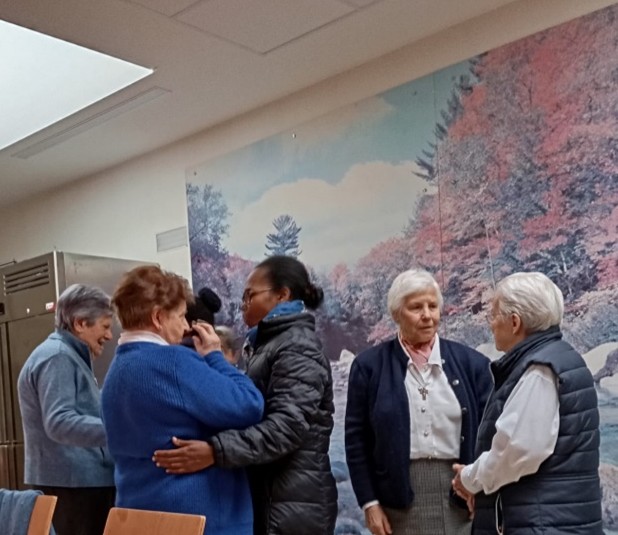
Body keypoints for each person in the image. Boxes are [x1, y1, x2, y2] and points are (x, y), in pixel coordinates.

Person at [153, 255, 338, 535]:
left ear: (282, 295)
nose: (243, 305)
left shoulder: (297, 347)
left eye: (250, 296)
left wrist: (216, 451)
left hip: (293, 505)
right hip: (274, 496)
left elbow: (287, 427)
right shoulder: (268, 344)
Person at [100, 265, 264, 535]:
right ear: (158, 317)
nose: (187, 326)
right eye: (180, 316)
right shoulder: (173, 362)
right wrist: (214, 355)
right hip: (199, 518)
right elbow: (249, 404)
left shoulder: (115, 372)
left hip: (138, 515)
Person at [452, 272, 602, 534]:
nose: (490, 325)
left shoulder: (539, 370)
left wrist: (469, 479)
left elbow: (517, 450)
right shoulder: (557, 359)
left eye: (493, 315)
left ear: (514, 322)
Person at [345, 269, 492, 535]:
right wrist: (369, 502)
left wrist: (480, 486)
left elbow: (490, 434)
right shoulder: (369, 367)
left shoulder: (474, 364)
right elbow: (357, 441)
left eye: (432, 306)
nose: (427, 315)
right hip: (397, 499)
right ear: (396, 314)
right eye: (416, 307)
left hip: (463, 494)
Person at [17, 284, 116, 535]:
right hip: (74, 487)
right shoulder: (58, 357)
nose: (109, 336)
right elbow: (59, 422)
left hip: (74, 483)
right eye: (105, 326)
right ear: (80, 323)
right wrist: (119, 430)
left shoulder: (65, 355)